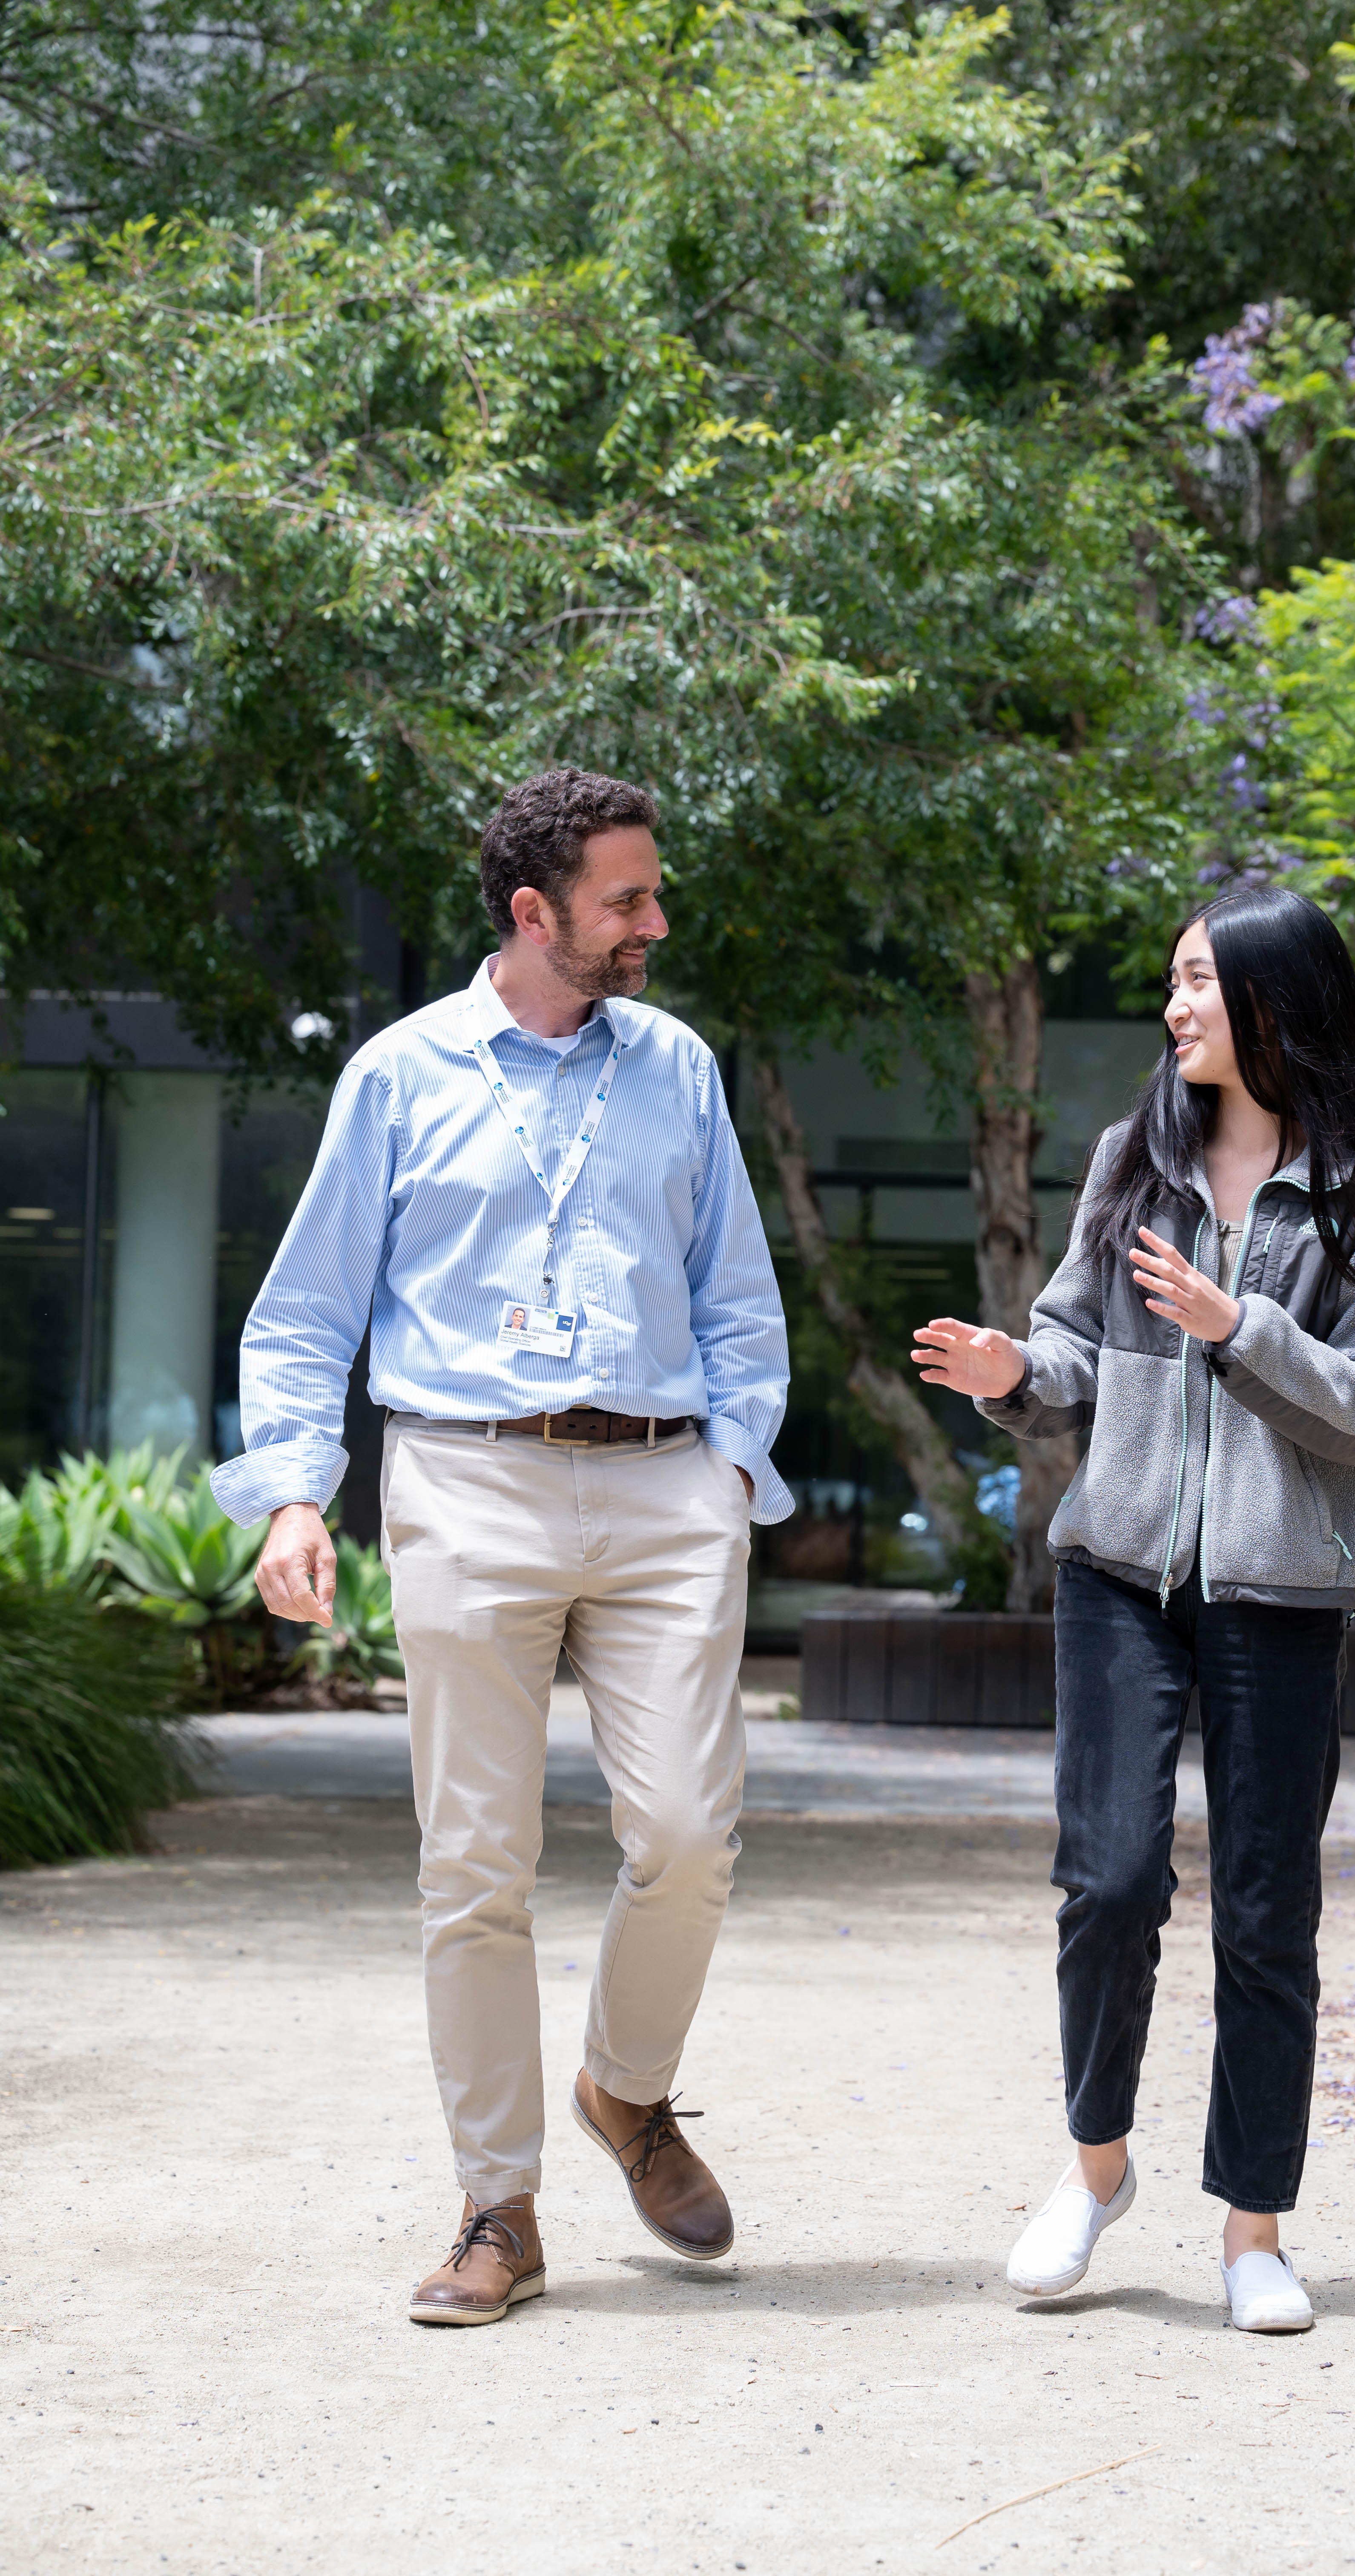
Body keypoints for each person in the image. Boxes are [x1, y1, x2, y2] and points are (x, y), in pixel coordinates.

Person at [210, 767, 791, 2326]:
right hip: (465, 1478)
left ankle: (627, 2087)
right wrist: (291, 1494)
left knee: (685, 1832)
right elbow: (306, 1311)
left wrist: (733, 1466)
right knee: (476, 1858)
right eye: (626, 900)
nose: (654, 920)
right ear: (535, 915)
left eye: (651, 893)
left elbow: (735, 1291)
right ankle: (498, 2202)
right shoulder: (398, 1076)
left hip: (666, 1484)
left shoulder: (674, 1067)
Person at [912, 886, 1355, 2333]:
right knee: (1107, 1878)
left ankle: (1253, 2232)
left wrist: (1238, 1327)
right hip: (1119, 1575)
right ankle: (1095, 2169)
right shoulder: (1133, 1158)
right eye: (1173, 983)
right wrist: (1008, 1370)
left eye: (1198, 981)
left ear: (1278, 997)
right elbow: (1076, 1348)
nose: (1175, 1007)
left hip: (1281, 1592)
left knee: (1267, 1913)